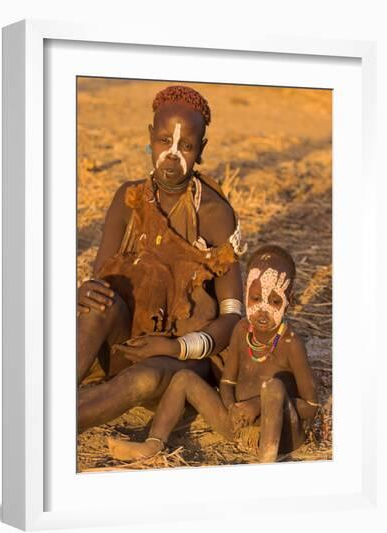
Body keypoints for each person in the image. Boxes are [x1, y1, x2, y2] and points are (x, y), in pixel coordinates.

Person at [77, 85, 246, 432]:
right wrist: (84, 293)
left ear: (201, 150)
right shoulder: (129, 198)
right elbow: (102, 284)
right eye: (164, 141)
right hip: (128, 341)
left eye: (185, 146)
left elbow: (233, 317)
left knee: (145, 379)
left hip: (181, 358)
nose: (172, 154)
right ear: (150, 137)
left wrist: (175, 347)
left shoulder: (216, 215)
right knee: (98, 306)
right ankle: (44, 399)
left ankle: (47, 427)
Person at [108, 245, 319, 463]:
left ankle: (267, 462)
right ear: (246, 292)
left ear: (289, 301)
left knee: (273, 387)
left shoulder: (290, 343)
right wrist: (232, 408)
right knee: (184, 378)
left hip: (282, 436)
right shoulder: (241, 330)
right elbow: (227, 382)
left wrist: (256, 405)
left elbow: (311, 408)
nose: (263, 311)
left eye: (275, 302)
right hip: (240, 429)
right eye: (256, 298)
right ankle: (152, 444)